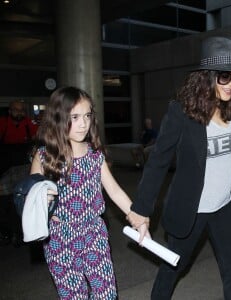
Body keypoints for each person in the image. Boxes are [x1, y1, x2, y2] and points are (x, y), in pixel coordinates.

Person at [127, 36, 231, 299]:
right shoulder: (182, 113)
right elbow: (158, 161)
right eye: (224, 76)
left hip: (227, 210)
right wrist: (141, 208)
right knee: (172, 268)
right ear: (207, 77)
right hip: (192, 210)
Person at [29, 86, 149, 299]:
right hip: (59, 238)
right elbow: (32, 200)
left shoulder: (95, 156)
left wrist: (138, 219)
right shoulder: (44, 157)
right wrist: (44, 204)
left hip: (93, 233)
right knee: (74, 296)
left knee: (106, 293)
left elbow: (114, 191)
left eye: (87, 116)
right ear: (58, 118)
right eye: (74, 117)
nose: (83, 123)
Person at [0, 100, 38, 174]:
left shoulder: (30, 123)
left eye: (22, 110)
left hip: (23, 165)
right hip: (4, 165)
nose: (19, 112)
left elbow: (38, 139)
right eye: (16, 110)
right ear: (9, 111)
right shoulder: (2, 123)